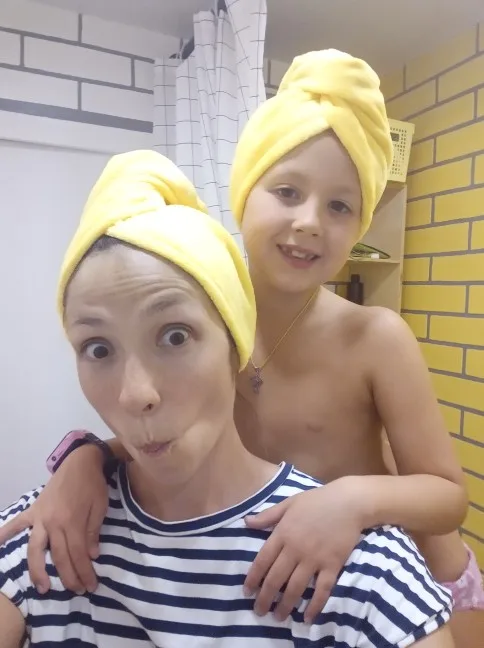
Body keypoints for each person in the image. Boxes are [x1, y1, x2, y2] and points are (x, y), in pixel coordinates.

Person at [0, 49, 482, 644]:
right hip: (272, 576)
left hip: (405, 578)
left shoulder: (375, 336)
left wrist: (351, 501)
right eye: (287, 191)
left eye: (340, 206)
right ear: (244, 192)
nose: (310, 221)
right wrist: (82, 463)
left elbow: (448, 497)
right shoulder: (198, 314)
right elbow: (162, 430)